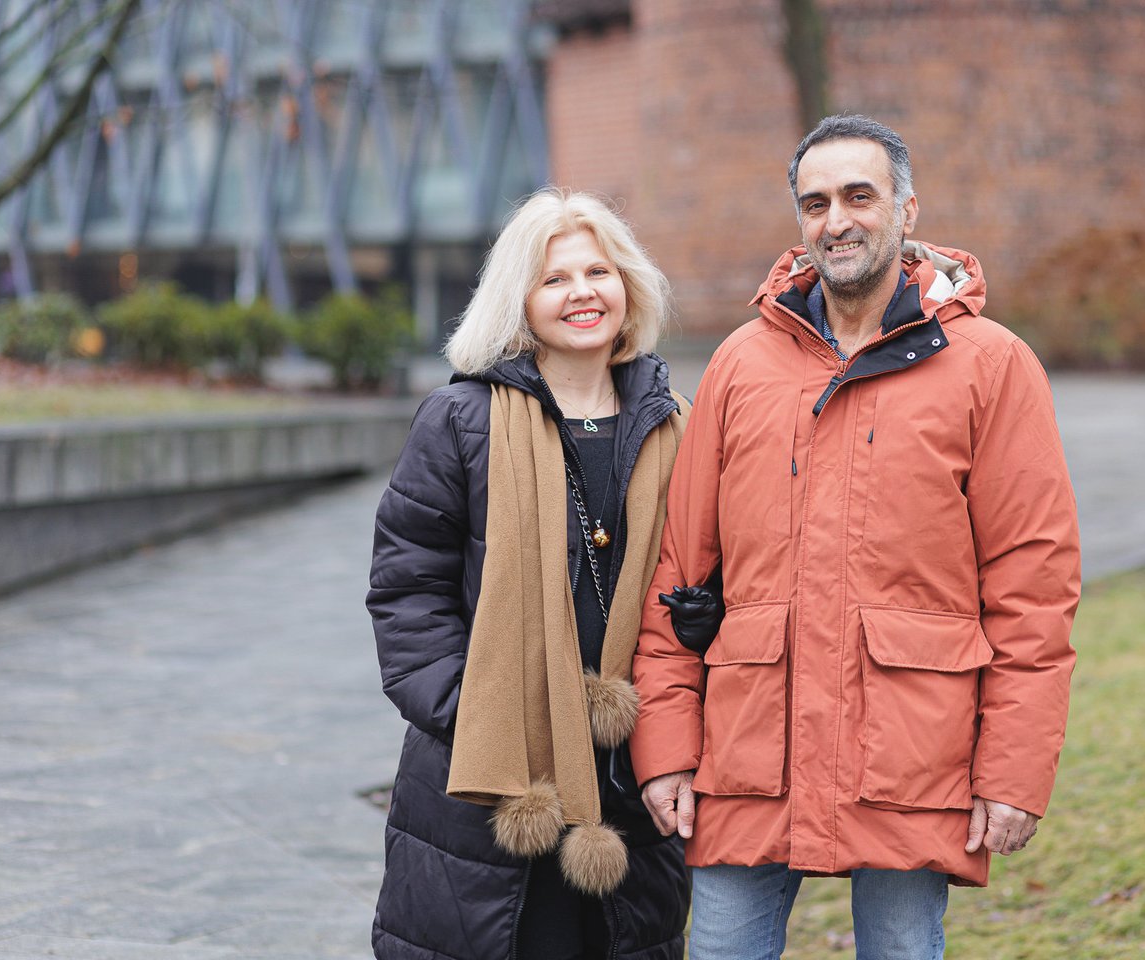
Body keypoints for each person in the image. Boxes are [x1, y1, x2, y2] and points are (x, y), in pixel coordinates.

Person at [630, 115, 1082, 959]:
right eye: (815, 203)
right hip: (749, 752)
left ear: (907, 210)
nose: (836, 220)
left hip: (912, 755)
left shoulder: (990, 365)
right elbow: (678, 574)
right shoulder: (740, 364)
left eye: (858, 196)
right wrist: (665, 749)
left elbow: (1034, 589)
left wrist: (1014, 770)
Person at [366, 188, 691, 960]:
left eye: (598, 272)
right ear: (520, 299)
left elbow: (701, 573)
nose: (583, 292)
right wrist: (472, 711)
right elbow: (407, 589)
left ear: (628, 285)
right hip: (489, 775)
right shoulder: (459, 422)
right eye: (555, 279)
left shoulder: (675, 423)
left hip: (632, 769)